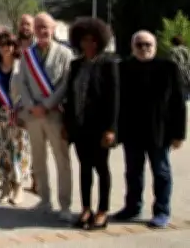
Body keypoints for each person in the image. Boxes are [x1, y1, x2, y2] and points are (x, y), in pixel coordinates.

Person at [115, 30, 187, 229]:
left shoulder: (168, 68)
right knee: (132, 173)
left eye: (148, 44)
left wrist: (179, 134)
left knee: (161, 173)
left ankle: (162, 211)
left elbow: (178, 104)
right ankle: (132, 207)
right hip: (132, 132)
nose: (144, 48)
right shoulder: (123, 68)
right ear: (132, 47)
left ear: (155, 47)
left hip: (160, 132)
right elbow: (116, 103)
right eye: (139, 44)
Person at [62, 17, 119, 229]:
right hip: (79, 127)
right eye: (85, 40)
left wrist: (112, 129)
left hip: (100, 128)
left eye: (93, 40)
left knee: (101, 169)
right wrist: (67, 125)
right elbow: (69, 97)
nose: (89, 44)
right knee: (84, 169)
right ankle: (86, 208)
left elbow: (115, 100)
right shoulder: (75, 65)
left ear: (100, 41)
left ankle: (103, 210)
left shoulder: (109, 65)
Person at [17, 12, 74, 221]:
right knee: (39, 160)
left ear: (53, 29)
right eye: (38, 26)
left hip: (54, 114)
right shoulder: (27, 54)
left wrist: (47, 105)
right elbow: (21, 82)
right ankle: (45, 200)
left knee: (62, 161)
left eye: (45, 27)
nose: (42, 30)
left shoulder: (65, 53)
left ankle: (65, 205)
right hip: (33, 116)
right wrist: (32, 106)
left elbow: (65, 84)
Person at [0, 31, 30, 205]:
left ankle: (18, 186)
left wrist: (22, 112)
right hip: (1, 115)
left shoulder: (21, 67)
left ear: (15, 47)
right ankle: (5, 185)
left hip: (18, 115)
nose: (6, 48)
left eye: (10, 45)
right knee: (3, 151)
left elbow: (27, 90)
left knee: (19, 151)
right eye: (3, 45)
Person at [16, 14, 38, 194]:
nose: (25, 27)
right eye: (23, 24)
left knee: (36, 145)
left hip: (35, 103)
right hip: (15, 102)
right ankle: (18, 180)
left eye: (28, 24)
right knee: (19, 145)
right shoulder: (13, 46)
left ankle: (37, 179)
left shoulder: (38, 48)